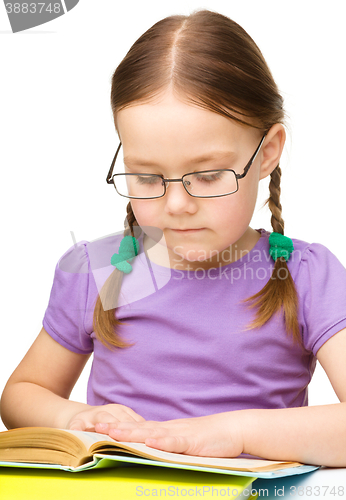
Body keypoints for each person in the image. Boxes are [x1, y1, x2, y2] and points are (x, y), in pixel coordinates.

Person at [1, 9, 346, 467]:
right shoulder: (97, 268)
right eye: (147, 176)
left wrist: (232, 432)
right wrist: (76, 418)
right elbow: (22, 394)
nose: (177, 204)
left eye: (206, 176)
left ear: (267, 153)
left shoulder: (306, 275)